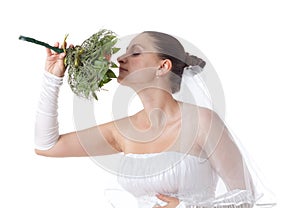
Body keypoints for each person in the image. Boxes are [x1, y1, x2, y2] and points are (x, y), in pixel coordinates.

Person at [34, 31, 275, 208]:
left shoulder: (202, 122)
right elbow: (47, 146)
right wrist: (52, 78)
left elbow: (245, 198)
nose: (120, 59)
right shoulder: (122, 131)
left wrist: (187, 207)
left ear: (163, 66)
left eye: (135, 53)